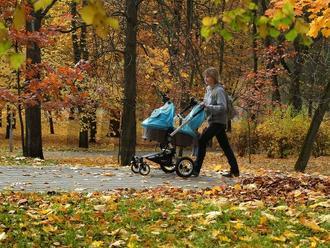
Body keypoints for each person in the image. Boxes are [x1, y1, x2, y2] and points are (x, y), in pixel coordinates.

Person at [192, 67, 240, 178]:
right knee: (225, 146)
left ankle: (196, 169)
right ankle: (235, 171)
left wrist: (208, 107)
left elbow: (222, 107)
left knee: (202, 140)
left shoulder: (219, 90)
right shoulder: (208, 89)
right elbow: (205, 103)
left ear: (214, 78)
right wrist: (200, 104)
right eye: (205, 76)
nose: (206, 79)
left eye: (208, 76)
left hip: (218, 122)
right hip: (212, 121)